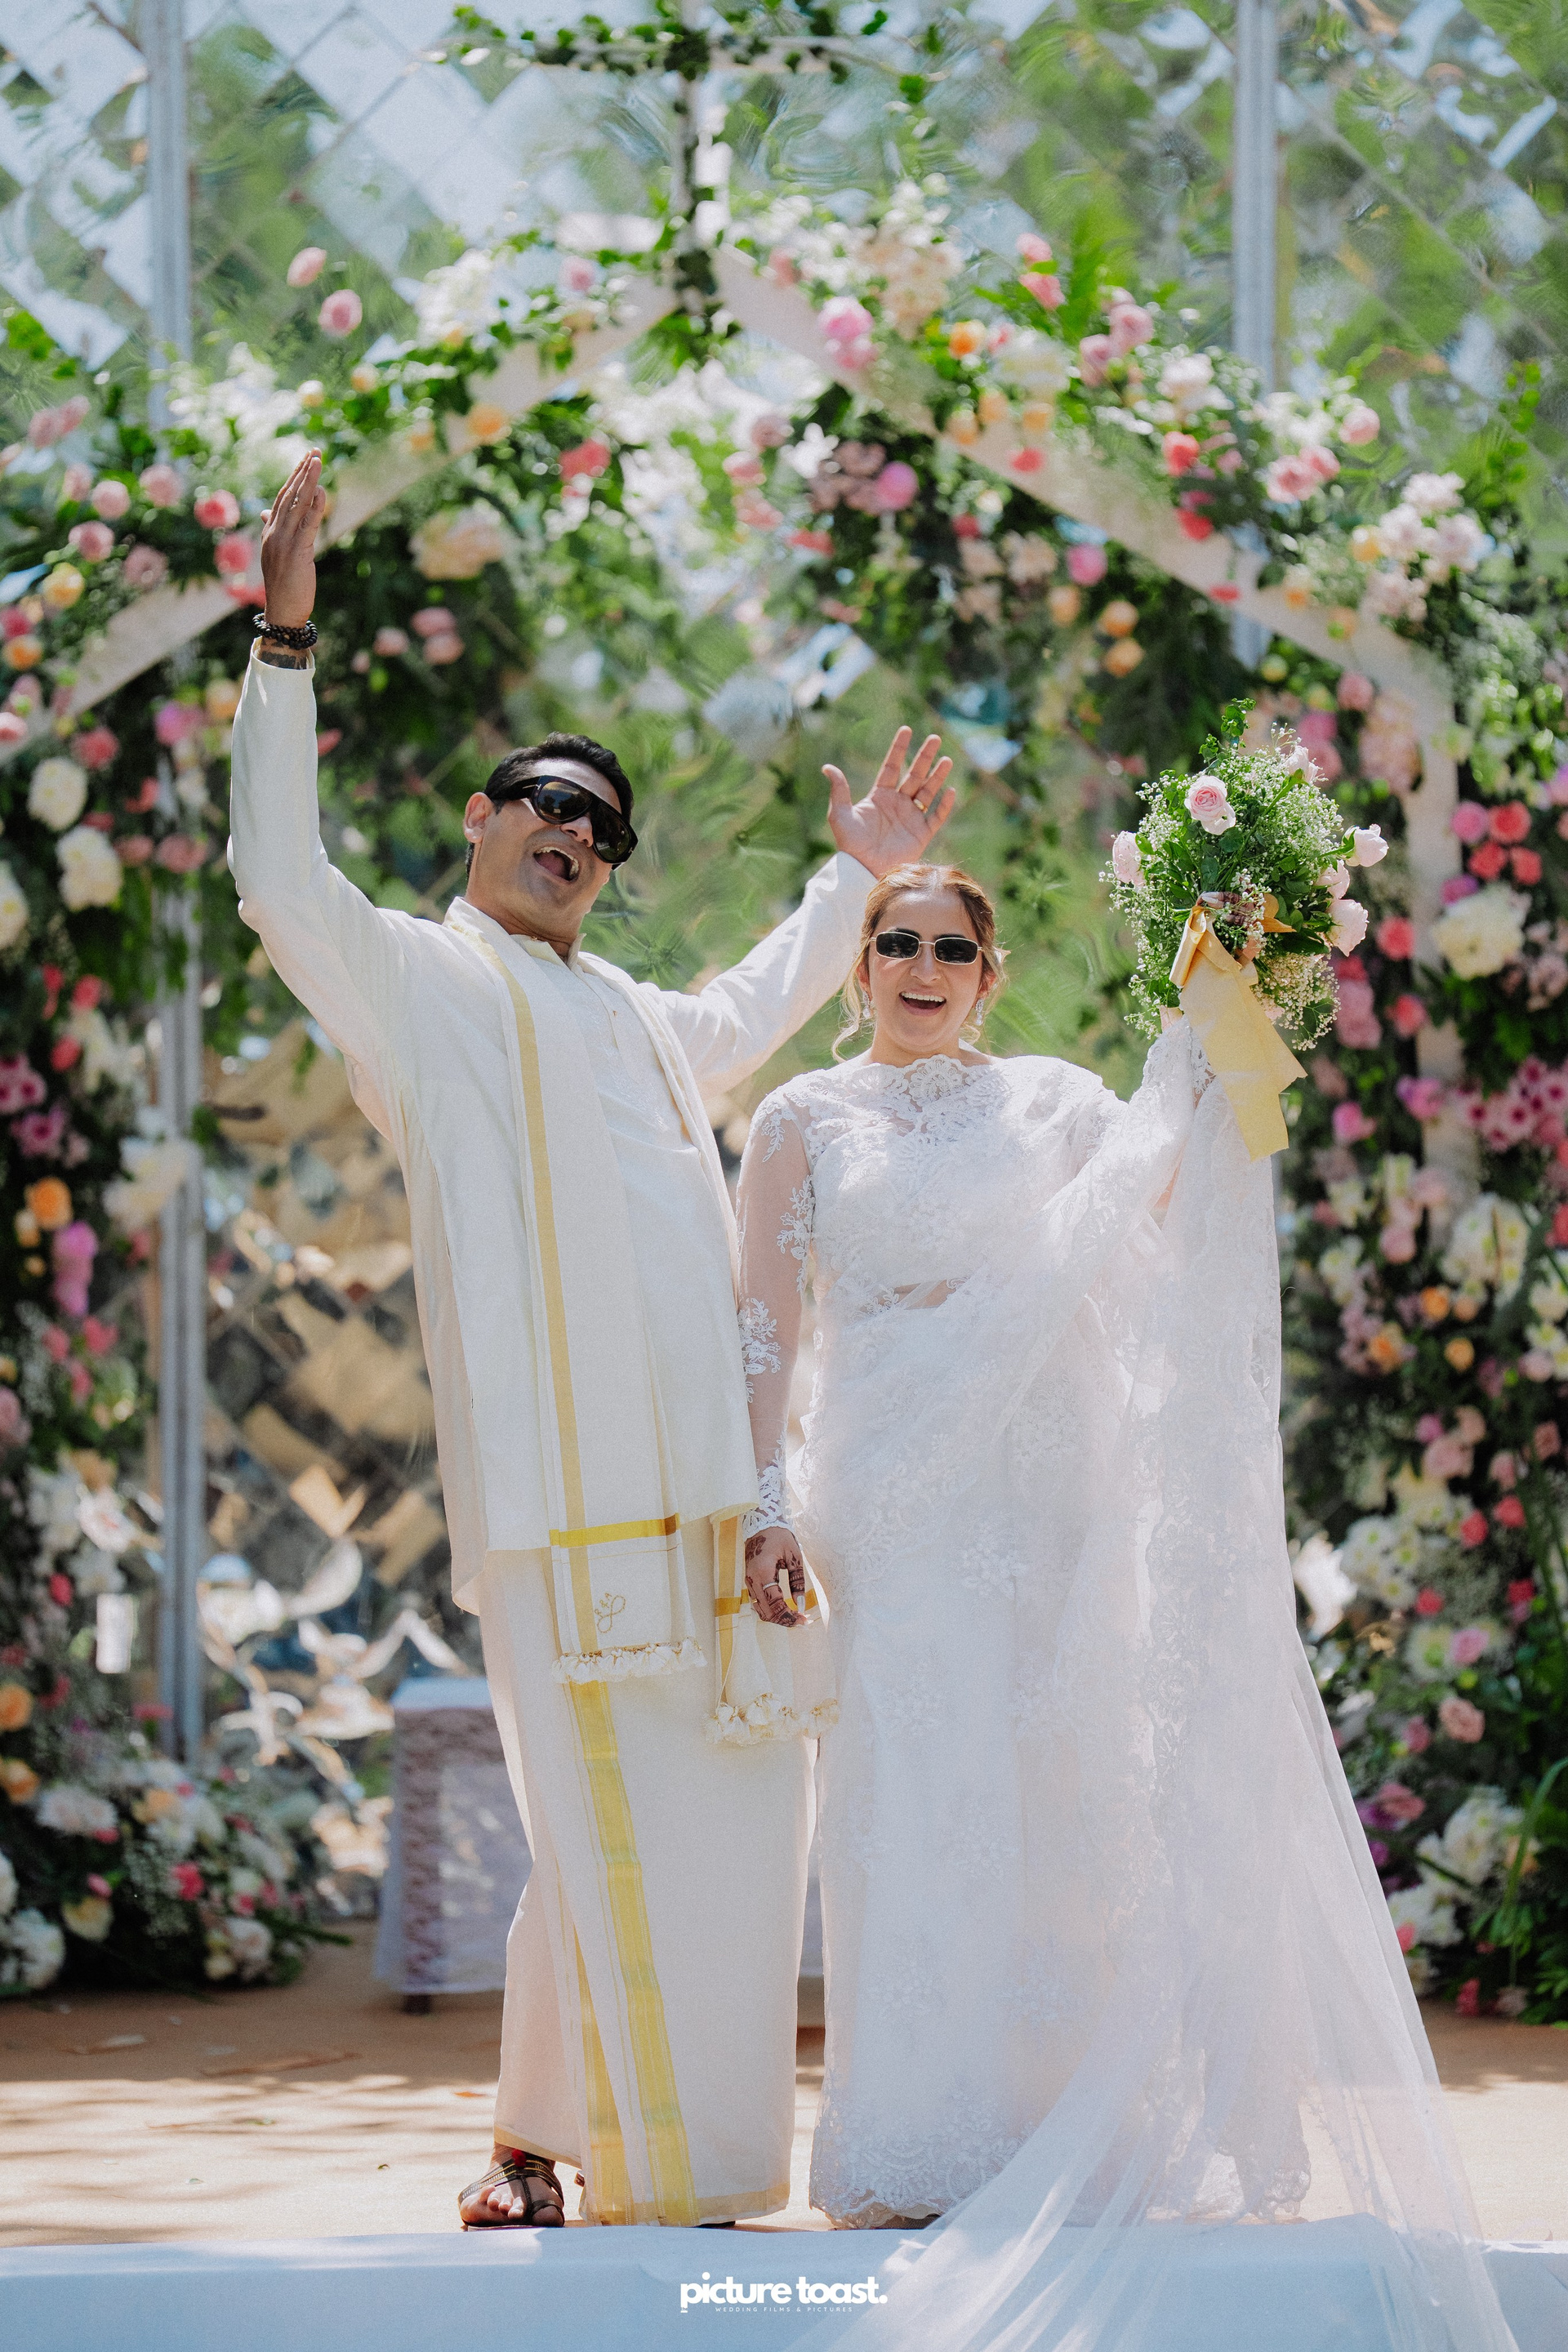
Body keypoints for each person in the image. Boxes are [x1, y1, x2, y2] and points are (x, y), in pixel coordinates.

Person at [229, 451, 955, 2233]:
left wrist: (855, 884)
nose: (578, 837)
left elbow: (750, 1011)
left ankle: (535, 2147)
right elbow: (277, 874)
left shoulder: (628, 1012)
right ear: (484, 820)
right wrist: (283, 644)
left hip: (707, 1502)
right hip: (562, 1513)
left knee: (723, 1834)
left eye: (605, 832)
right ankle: (645, 2179)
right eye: (551, 807)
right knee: (604, 1825)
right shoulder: (417, 980)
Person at [734, 864, 1516, 2347]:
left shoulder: (1056, 1100)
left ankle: (1058, 2123)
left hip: (1053, 1496)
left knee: (1061, 1791)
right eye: (895, 942)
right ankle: (914, 2136)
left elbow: (1173, 1183)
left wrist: (1230, 1004)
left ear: (988, 972)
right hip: (894, 1501)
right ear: (860, 965)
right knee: (915, 1792)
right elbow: (763, 1328)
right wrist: (763, 1503)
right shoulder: (800, 1119)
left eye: (949, 947)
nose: (920, 966)